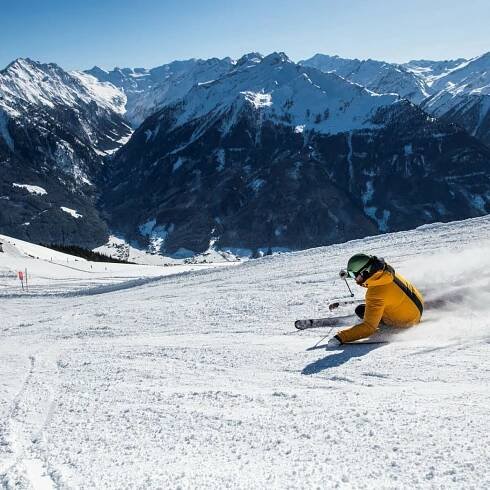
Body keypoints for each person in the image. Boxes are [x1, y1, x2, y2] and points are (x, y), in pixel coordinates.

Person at [327, 254, 424, 347]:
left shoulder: (375, 294)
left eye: (353, 275)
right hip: (416, 306)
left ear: (364, 272)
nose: (354, 279)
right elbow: (367, 277)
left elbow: (369, 327)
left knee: (360, 310)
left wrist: (340, 337)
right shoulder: (385, 270)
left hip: (406, 321)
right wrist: (348, 274)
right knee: (376, 303)